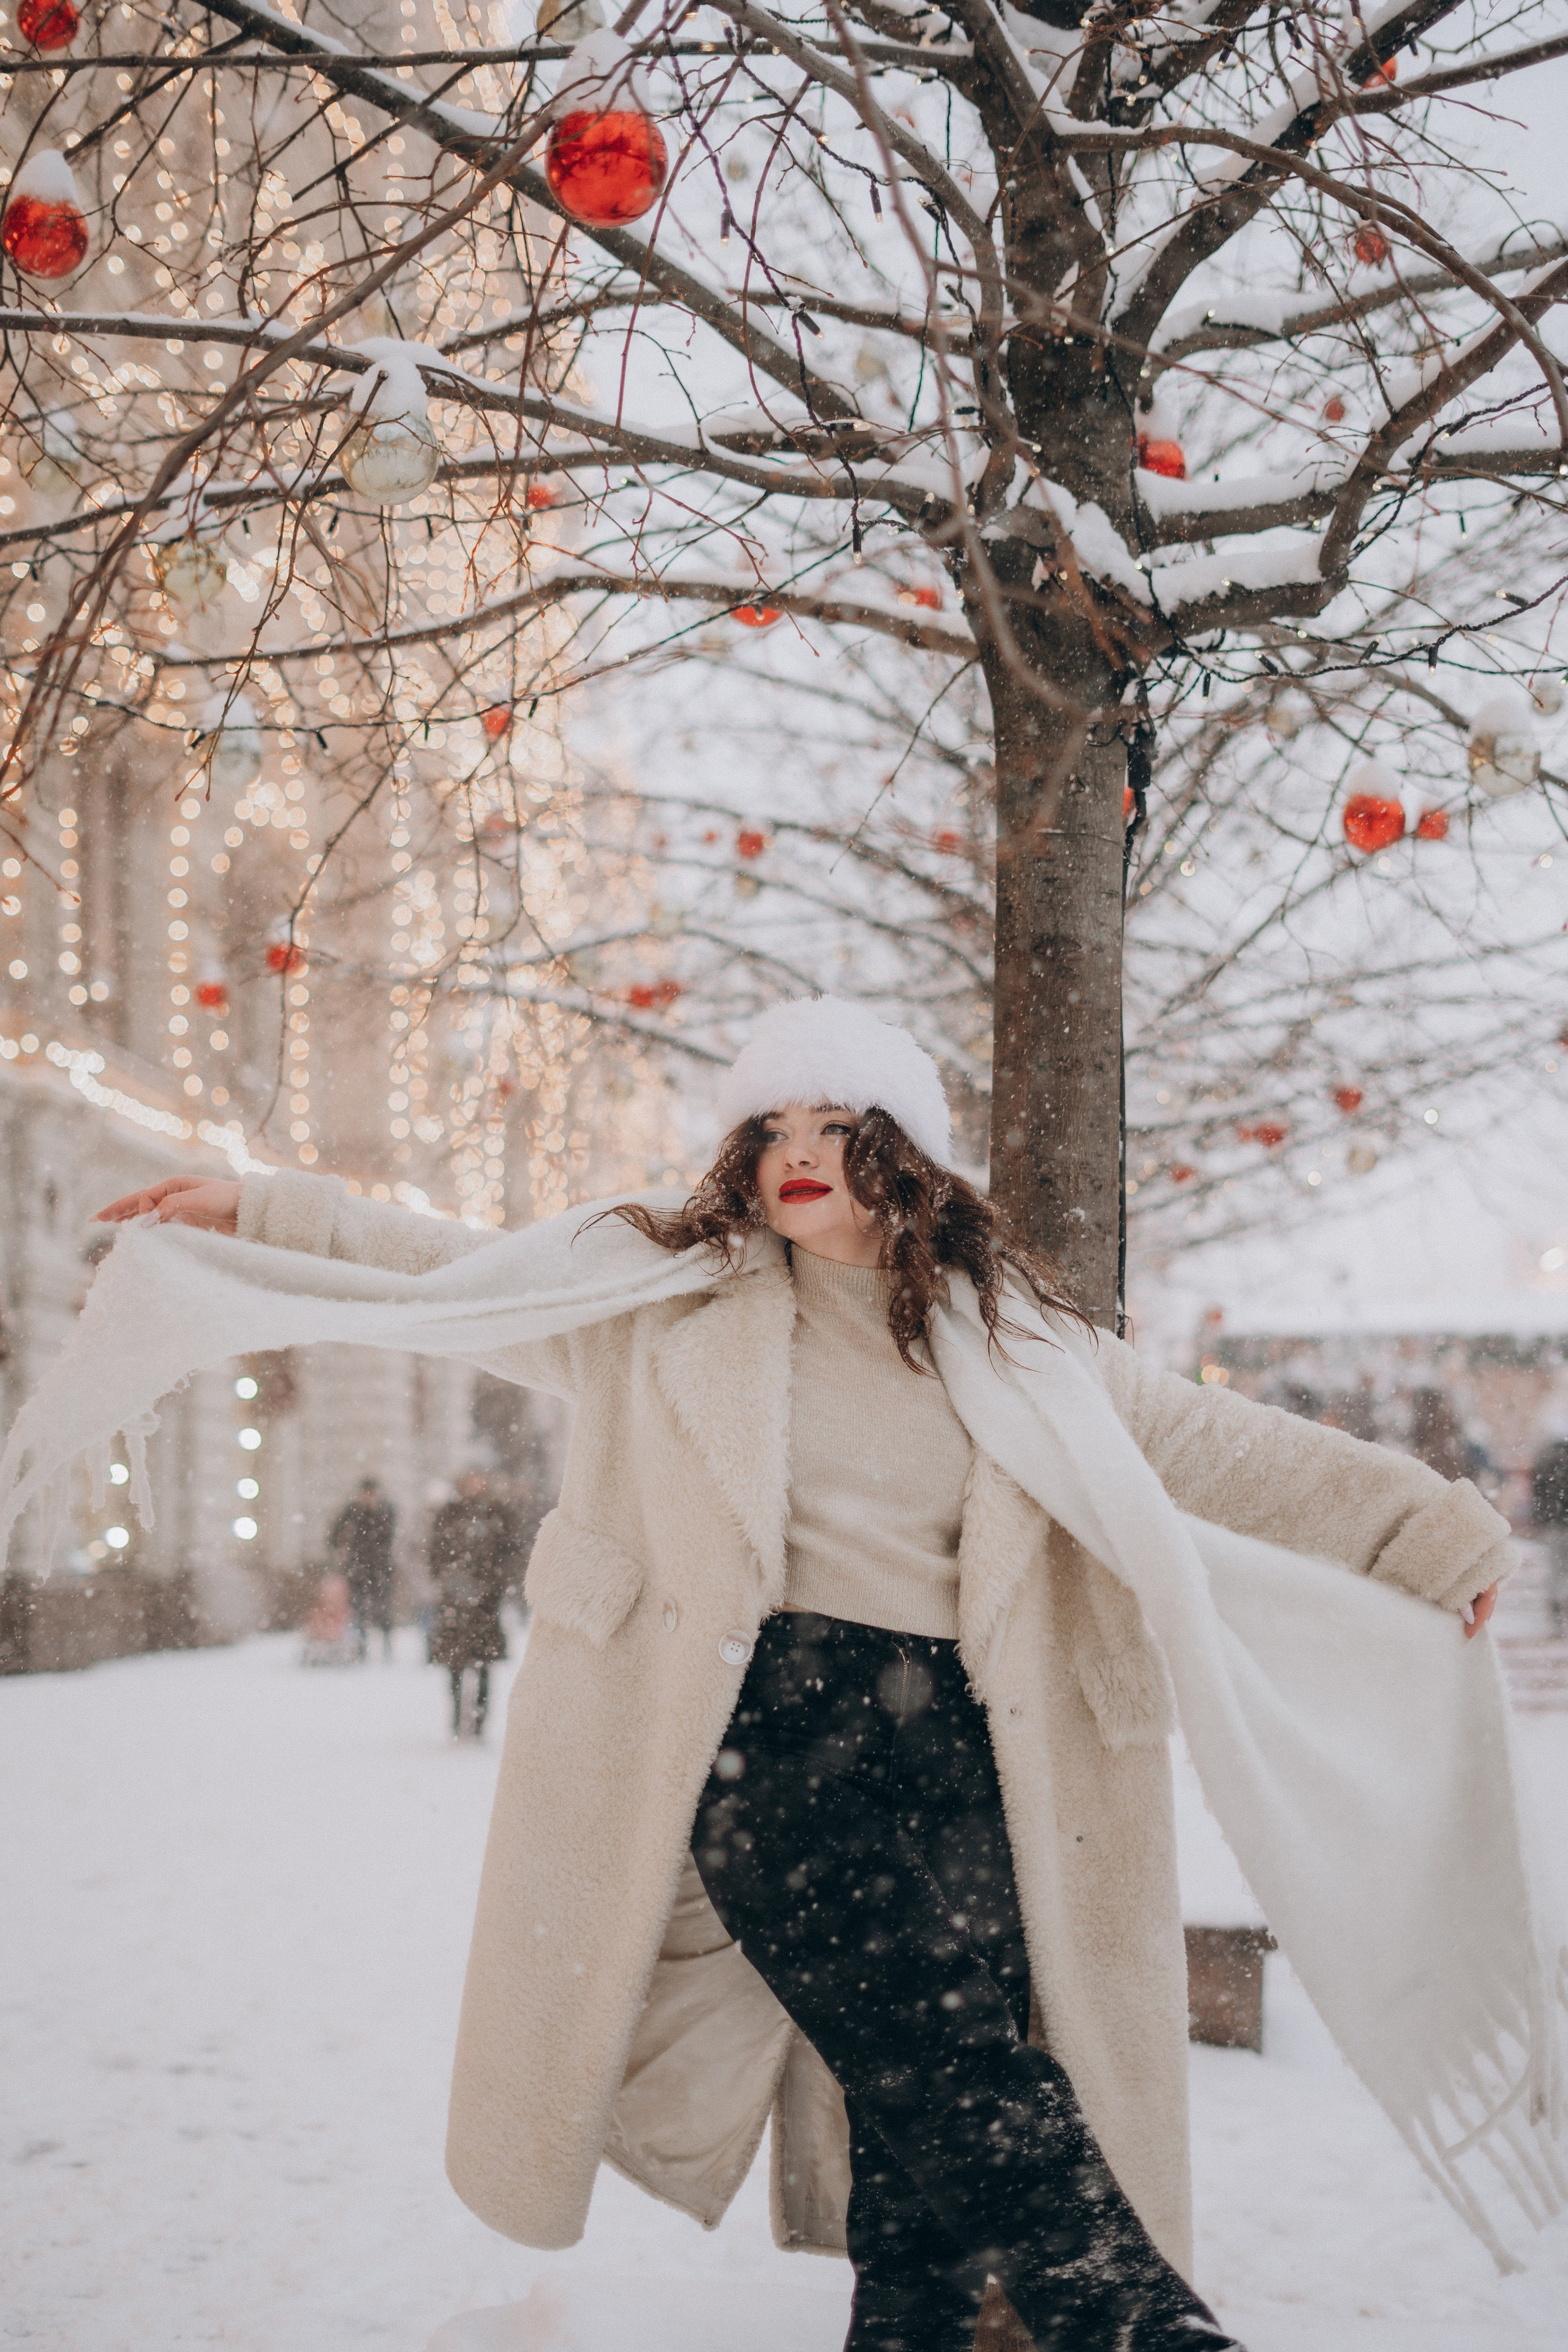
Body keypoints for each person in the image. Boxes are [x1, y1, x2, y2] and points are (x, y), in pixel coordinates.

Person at [79, 997, 1521, 2352]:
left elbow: (1224, 1450)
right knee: (958, 2073)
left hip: (965, 1753)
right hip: (769, 1741)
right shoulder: (660, 1301)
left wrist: (1423, 1528)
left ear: (902, 1150)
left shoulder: (1016, 1341)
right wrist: (262, 1209)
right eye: (767, 1132)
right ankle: (1143, 2323)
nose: (791, 1159)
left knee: (914, 2153)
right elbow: (453, 1266)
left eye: (827, 1127)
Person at [428, 1469, 520, 1738]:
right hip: (455, 1603)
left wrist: (495, 1583)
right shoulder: (450, 1514)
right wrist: (448, 1581)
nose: (475, 1485)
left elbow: (511, 1550)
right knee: (455, 1665)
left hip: (486, 1604)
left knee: (484, 1664)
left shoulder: (497, 1513)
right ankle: (456, 1717)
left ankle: (480, 1719)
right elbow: (436, 1551)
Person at [329, 1476, 397, 1660]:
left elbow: (389, 1537)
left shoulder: (385, 1511)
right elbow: (335, 1537)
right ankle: (361, 1646)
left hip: (380, 1569)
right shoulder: (352, 1512)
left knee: (383, 1609)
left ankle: (386, 1645)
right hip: (358, 1569)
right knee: (359, 1609)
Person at [1531, 1427, 1568, 1637]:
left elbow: (1538, 1491)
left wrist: (1542, 1517)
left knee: (1556, 1569)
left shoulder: (1547, 1461)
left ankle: (1556, 1613)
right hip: (1560, 1522)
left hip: (1554, 1523)